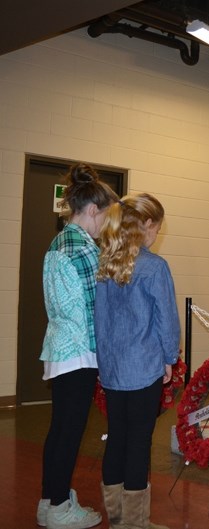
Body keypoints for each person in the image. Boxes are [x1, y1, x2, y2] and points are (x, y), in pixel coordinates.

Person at [38, 163, 117, 529]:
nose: (107, 226)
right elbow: (93, 310)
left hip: (60, 350)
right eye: (106, 217)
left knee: (60, 431)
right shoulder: (83, 249)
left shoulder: (60, 242)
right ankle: (57, 508)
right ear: (92, 211)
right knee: (68, 433)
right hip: (79, 353)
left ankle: (50, 499)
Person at [94, 193, 180, 529]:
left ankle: (117, 519)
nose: (157, 234)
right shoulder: (154, 267)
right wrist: (170, 357)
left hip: (113, 369)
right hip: (144, 367)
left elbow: (99, 321)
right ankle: (135, 523)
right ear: (145, 225)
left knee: (117, 436)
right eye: (157, 227)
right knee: (139, 441)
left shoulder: (106, 264)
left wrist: (104, 363)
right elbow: (167, 320)